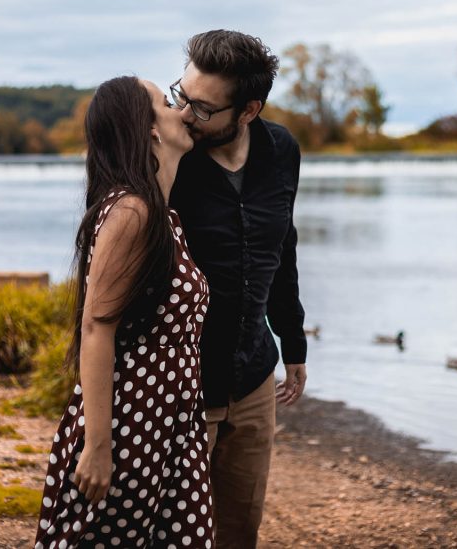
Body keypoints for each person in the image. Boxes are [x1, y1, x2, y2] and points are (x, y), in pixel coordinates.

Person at [35, 76, 214, 548]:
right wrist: (97, 446)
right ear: (150, 129)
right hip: (131, 423)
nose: (181, 111)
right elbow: (96, 328)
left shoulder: (161, 214)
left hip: (171, 425)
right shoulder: (133, 212)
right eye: (166, 103)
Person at [169, 30, 307, 548]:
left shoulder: (281, 150)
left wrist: (293, 344)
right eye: (181, 95)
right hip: (182, 382)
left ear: (247, 111)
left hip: (253, 376)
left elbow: (282, 248)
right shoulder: (171, 156)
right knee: (175, 532)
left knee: (239, 529)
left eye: (202, 108)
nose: (185, 114)